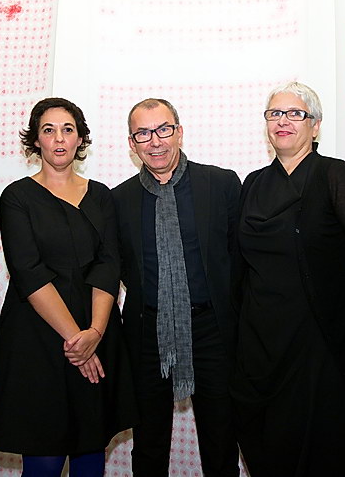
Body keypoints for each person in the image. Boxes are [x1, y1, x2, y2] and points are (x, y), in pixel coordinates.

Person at [231, 82, 345, 476]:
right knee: (270, 449)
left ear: (315, 126)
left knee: (329, 449)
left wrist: (336, 300)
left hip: (322, 345)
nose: (283, 121)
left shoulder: (336, 177)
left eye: (295, 113)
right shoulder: (253, 184)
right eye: (275, 114)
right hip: (262, 347)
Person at [0, 98, 137, 476]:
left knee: (91, 451)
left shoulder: (101, 195)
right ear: (35, 140)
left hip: (96, 331)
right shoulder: (17, 197)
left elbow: (109, 264)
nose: (59, 138)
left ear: (80, 139)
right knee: (44, 456)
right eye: (49, 130)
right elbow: (28, 271)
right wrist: (78, 343)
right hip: (37, 340)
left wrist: (95, 334)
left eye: (67, 130)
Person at [111, 98, 241, 477]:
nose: (155, 141)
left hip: (213, 331)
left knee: (221, 441)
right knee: (149, 445)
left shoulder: (221, 184)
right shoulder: (117, 199)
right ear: (132, 143)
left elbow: (238, 259)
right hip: (147, 333)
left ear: (179, 132)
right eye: (143, 133)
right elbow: (121, 267)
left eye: (163, 129)